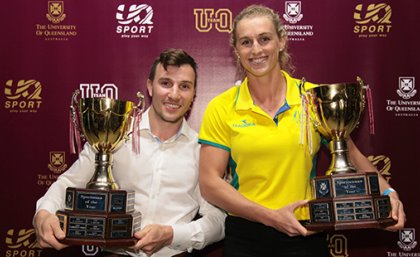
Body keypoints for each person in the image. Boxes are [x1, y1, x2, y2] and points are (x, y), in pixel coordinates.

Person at [198, 5, 406, 257]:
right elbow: (210, 183)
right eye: (246, 42)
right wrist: (271, 217)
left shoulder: (314, 98)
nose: (256, 50)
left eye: (264, 39)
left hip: (305, 234)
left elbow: (351, 155)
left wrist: (388, 193)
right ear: (237, 50)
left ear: (281, 40)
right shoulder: (221, 107)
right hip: (246, 236)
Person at [33, 48, 226, 257]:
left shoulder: (201, 149)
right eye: (166, 83)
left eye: (185, 86)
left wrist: (172, 235)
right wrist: (43, 214)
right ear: (150, 86)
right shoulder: (114, 133)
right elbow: (67, 184)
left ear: (193, 94)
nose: (174, 94)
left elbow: (217, 219)